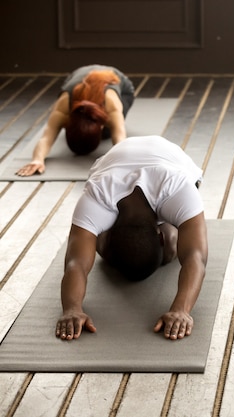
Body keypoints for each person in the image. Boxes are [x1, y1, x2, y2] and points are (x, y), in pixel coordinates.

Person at [55, 135, 207, 342]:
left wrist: (182, 309)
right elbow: (76, 263)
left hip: (168, 158)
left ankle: (167, 233)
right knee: (171, 243)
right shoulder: (98, 196)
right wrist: (71, 309)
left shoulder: (178, 188)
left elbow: (194, 256)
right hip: (117, 159)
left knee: (174, 245)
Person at [16, 64, 135, 177]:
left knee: (109, 132)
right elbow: (46, 138)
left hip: (122, 86)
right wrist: (37, 160)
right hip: (78, 74)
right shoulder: (63, 107)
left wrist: (122, 163)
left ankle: (104, 129)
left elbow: (119, 137)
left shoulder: (111, 104)